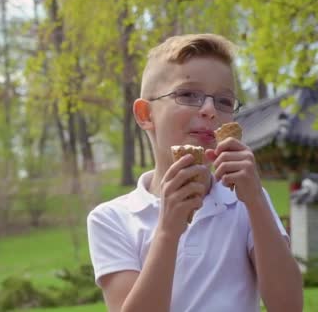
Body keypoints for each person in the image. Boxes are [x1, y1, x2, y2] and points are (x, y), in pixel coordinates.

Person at [87, 33, 303, 311]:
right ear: (145, 114)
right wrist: (167, 230)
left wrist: (257, 203)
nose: (210, 110)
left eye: (224, 101)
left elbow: (288, 306)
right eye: (188, 95)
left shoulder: (246, 202)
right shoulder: (112, 219)